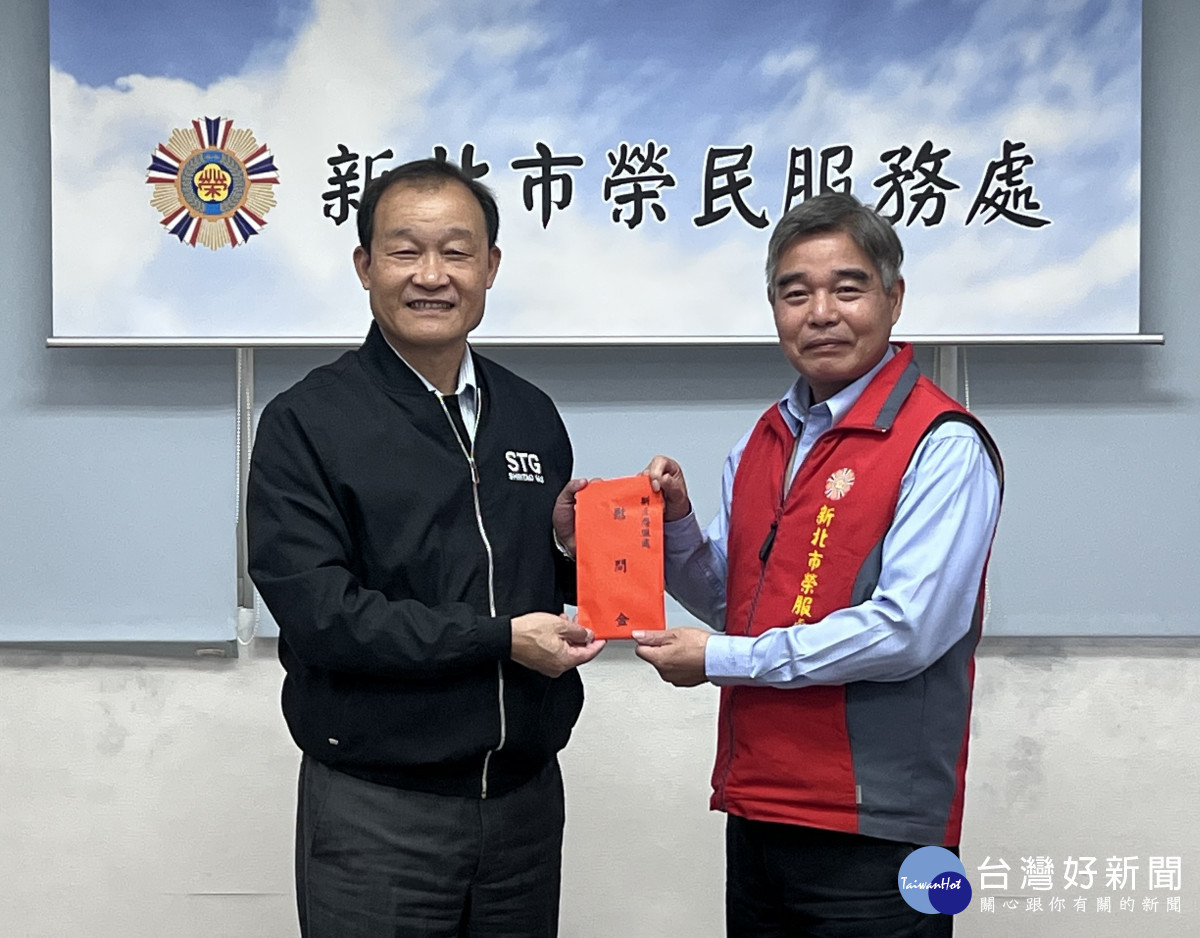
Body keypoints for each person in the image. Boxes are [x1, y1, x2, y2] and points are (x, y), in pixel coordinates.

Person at [246, 158, 604, 938]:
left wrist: (567, 547)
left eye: (457, 251)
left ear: (491, 266)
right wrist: (498, 639)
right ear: (365, 266)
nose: (432, 275)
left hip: (524, 805)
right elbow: (324, 616)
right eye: (405, 251)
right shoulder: (307, 422)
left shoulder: (530, 413)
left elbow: (521, 579)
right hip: (379, 812)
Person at [635, 191, 1002, 937]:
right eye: (795, 293)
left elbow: (906, 632)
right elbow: (733, 599)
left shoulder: (943, 443)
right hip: (759, 806)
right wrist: (674, 526)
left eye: (848, 289)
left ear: (894, 298)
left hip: (882, 829)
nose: (821, 313)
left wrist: (722, 659)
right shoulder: (763, 440)